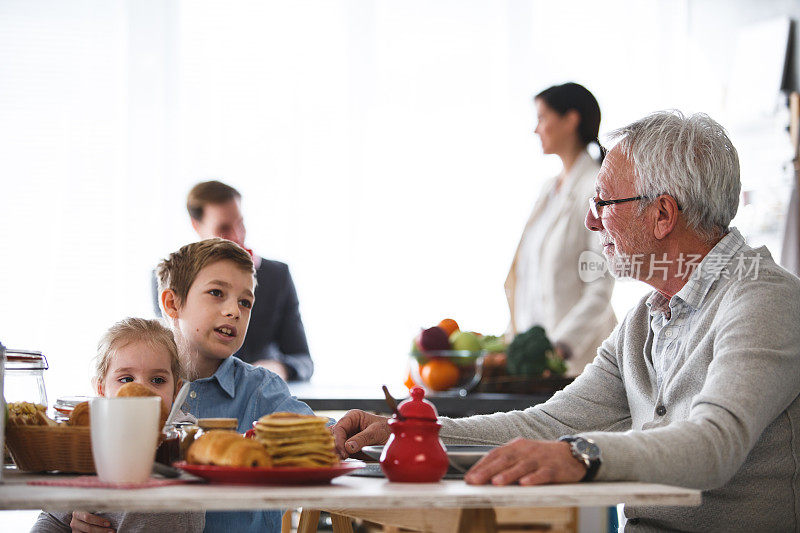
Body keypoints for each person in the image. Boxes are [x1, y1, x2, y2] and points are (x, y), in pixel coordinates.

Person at [332, 111, 800, 531]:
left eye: (603, 203)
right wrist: (408, 432)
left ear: (662, 215)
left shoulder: (764, 299)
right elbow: (549, 424)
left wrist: (581, 454)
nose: (591, 222)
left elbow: (712, 446)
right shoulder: (644, 319)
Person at [155, 237, 316, 532]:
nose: (234, 311)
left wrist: (346, 431)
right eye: (217, 293)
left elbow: (315, 435)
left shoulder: (262, 389)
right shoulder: (136, 382)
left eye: (245, 302)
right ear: (172, 303)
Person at [31, 318, 204, 533]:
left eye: (158, 380)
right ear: (102, 390)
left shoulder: (184, 435)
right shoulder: (88, 442)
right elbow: (52, 520)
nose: (142, 390)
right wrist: (76, 513)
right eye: (126, 379)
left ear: (176, 391)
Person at [151, 180, 313, 382]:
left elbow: (303, 360)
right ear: (196, 226)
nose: (238, 236)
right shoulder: (172, 275)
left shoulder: (277, 276)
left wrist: (278, 368)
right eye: (224, 228)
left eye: (241, 224)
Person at [507, 82, 616, 374]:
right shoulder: (548, 190)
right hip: (538, 369)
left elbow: (600, 286)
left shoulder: (595, 186)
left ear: (571, 120)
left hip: (578, 363)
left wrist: (558, 348)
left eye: (542, 118)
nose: (536, 129)